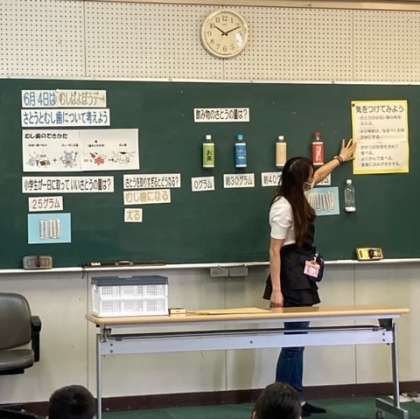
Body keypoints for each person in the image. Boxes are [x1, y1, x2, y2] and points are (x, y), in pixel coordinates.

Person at [264, 138, 357, 417]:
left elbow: (320, 175)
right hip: (290, 275)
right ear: (299, 181)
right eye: (308, 175)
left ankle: (298, 401)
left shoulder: (299, 193)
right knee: (293, 343)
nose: (312, 178)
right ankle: (281, 406)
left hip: (301, 269)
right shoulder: (282, 207)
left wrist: (340, 159)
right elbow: (275, 250)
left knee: (298, 340)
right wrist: (277, 291)